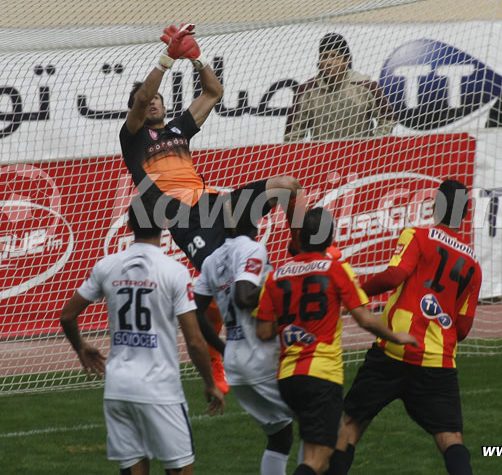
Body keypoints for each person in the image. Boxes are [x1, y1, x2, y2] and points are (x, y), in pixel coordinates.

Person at [121, 23, 303, 394]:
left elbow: (214, 91)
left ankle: (301, 249)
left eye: (157, 98)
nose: (152, 101)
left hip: (217, 203)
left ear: (165, 104)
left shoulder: (177, 131)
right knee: (219, 288)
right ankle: (220, 361)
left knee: (287, 186)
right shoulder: (133, 139)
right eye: (147, 98)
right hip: (185, 220)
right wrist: (166, 59)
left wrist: (196, 56)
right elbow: (140, 100)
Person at [59, 198, 225, 475]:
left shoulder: (107, 265)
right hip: (160, 389)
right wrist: (210, 383)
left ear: (128, 225)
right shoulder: (174, 271)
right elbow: (195, 340)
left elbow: (67, 316)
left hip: (118, 389)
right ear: (163, 225)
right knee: (181, 470)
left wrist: (81, 347)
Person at [327, 179, 482, 475]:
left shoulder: (418, 235)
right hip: (438, 361)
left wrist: (354, 294)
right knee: (450, 438)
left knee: (350, 425)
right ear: (464, 214)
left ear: (435, 206)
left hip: (393, 351)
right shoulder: (473, 264)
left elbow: (393, 276)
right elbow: (462, 328)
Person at [255, 207, 418, 475]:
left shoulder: (277, 275)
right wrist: (395, 336)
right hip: (320, 375)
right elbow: (365, 319)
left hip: (287, 378)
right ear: (331, 238)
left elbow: (263, 332)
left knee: (315, 453)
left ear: (300, 238)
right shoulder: (335, 269)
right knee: (318, 460)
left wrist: (292, 326)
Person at [194, 207, 295, 475]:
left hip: (236, 363)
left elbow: (198, 311)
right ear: (257, 227)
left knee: (280, 436)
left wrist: (221, 347)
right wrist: (283, 291)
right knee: (319, 421)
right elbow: (243, 295)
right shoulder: (253, 250)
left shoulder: (212, 260)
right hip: (261, 356)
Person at [284, 32, 396, 142]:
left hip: (359, 158)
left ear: (347, 60)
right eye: (324, 56)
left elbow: (388, 118)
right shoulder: (307, 91)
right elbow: (293, 134)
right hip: (322, 158)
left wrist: (373, 146)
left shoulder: (365, 86)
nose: (328, 62)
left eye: (335, 56)